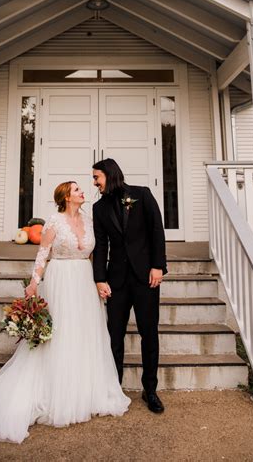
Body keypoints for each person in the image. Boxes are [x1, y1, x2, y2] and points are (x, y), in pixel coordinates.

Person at [0, 181, 130, 443]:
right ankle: (57, 395)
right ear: (65, 197)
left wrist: (99, 281)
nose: (82, 191)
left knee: (85, 335)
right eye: (76, 190)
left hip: (84, 282)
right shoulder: (54, 222)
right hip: (61, 280)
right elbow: (43, 255)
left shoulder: (89, 220)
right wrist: (34, 283)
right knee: (61, 335)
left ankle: (85, 393)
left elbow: (94, 255)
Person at [92, 158, 167, 414]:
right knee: (114, 337)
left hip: (146, 277)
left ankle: (151, 390)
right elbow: (101, 246)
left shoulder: (142, 195)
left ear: (109, 175)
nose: (94, 182)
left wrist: (158, 265)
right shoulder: (98, 208)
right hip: (117, 281)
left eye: (96, 177)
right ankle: (114, 389)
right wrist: (100, 278)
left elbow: (157, 230)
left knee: (149, 334)